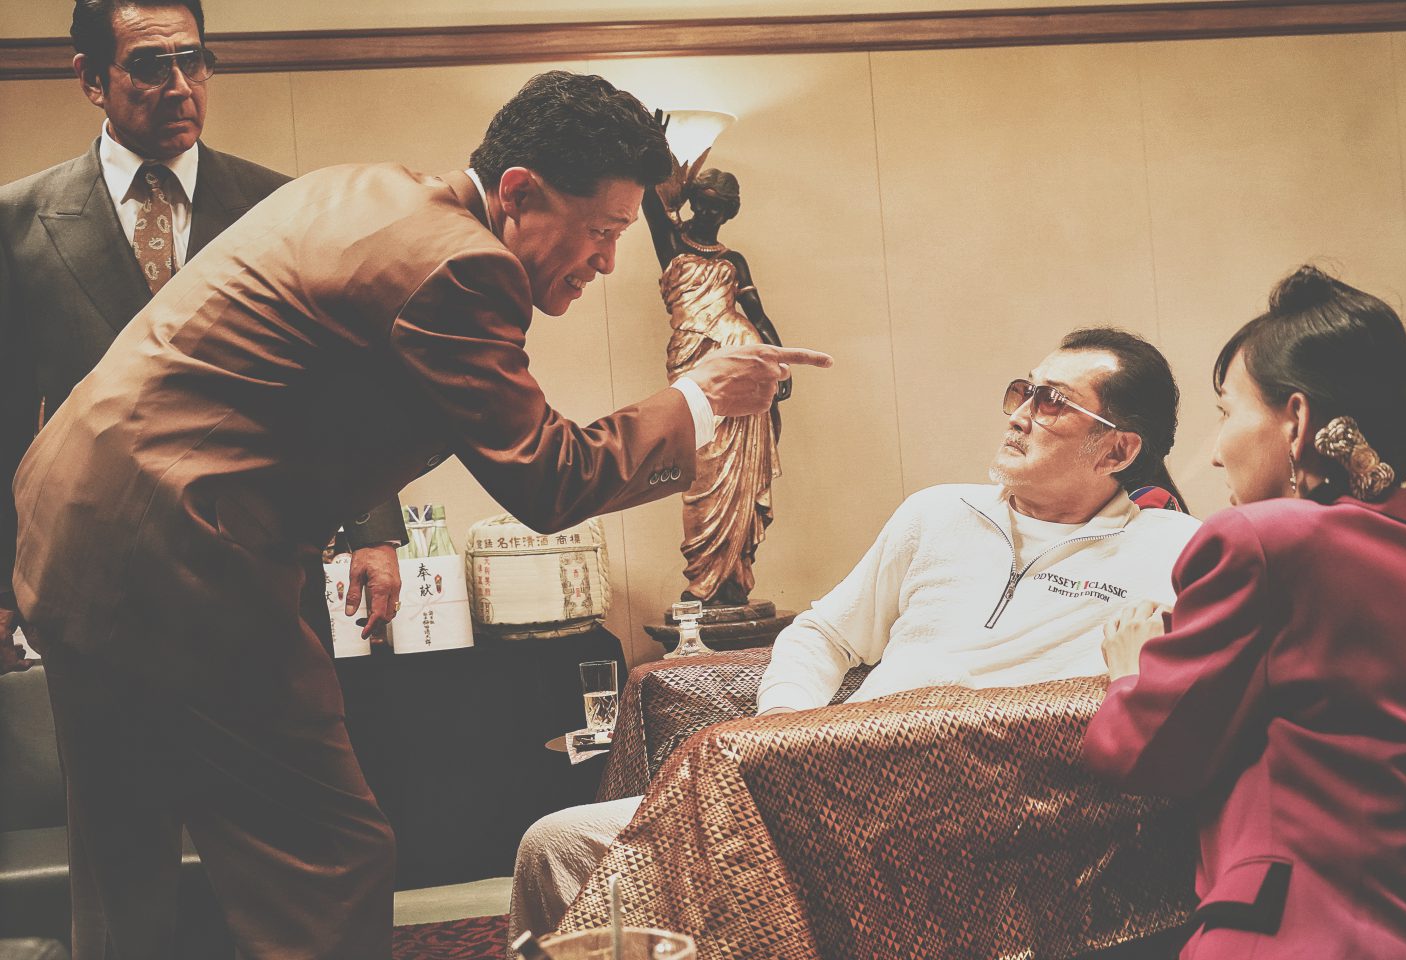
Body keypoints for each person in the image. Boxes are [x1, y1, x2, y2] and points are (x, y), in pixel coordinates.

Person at [8, 68, 831, 960]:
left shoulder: (361, 189)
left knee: (123, 855)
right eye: (601, 231)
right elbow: (551, 479)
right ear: (519, 191)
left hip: (73, 533)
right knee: (329, 860)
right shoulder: (464, 266)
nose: (606, 261)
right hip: (181, 560)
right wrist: (701, 398)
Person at [509, 327, 1201, 942]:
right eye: (1024, 391)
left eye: (1052, 404)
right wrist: (784, 726)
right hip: (834, 782)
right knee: (558, 844)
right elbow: (823, 635)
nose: (1019, 415)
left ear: (1118, 450)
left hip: (994, 820)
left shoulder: (1175, 551)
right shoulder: (938, 514)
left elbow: (1195, 710)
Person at [0, 0, 405, 682]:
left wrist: (373, 532)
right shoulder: (19, 222)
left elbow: (338, 380)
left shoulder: (280, 206)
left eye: (192, 60)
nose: (180, 87)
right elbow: (7, 416)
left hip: (261, 562)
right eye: (150, 66)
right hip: (102, 576)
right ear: (92, 78)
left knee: (294, 747)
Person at [1083, 267, 1406, 959]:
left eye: (1226, 413)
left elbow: (1146, 750)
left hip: (1283, 934)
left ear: (1296, 422)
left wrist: (1129, 676)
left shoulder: (1262, 541)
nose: (1215, 453)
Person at [642, 160, 786, 605]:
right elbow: (649, 202)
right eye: (703, 204)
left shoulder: (733, 261)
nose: (709, 215)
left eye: (719, 209)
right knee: (702, 467)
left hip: (744, 365)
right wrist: (652, 158)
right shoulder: (671, 243)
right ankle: (703, 577)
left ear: (729, 213)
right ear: (691, 202)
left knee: (741, 472)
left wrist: (781, 362)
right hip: (695, 367)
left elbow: (758, 316)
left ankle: (735, 575)